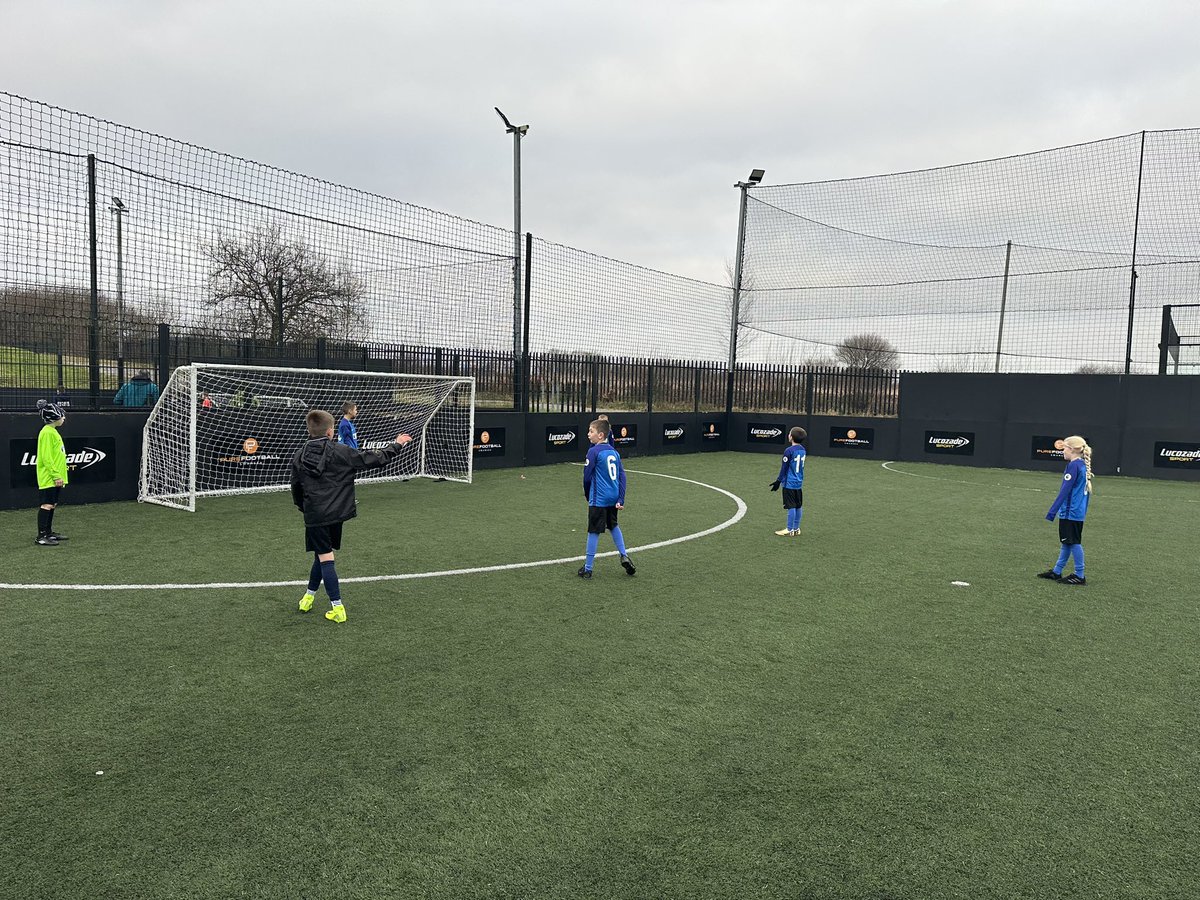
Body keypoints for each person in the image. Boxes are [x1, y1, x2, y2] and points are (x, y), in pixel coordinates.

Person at [290, 408, 412, 623]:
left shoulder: (299, 455)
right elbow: (375, 459)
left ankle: (337, 608)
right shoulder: (341, 451)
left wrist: (304, 508)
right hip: (337, 513)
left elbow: (296, 488)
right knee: (323, 554)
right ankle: (309, 598)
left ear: (309, 431)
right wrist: (398, 444)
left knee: (324, 555)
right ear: (330, 431)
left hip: (315, 514)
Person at [578, 418, 636, 578]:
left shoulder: (593, 451)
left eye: (591, 431)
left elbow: (587, 477)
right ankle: (624, 555)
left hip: (599, 498)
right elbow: (622, 476)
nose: (588, 434)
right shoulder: (614, 452)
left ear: (601, 434)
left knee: (594, 531)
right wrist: (621, 498)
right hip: (613, 496)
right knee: (613, 525)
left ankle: (588, 568)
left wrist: (588, 494)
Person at [1038, 434, 1093, 585]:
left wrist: (1052, 512)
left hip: (1070, 512)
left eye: (1064, 449)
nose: (1063, 452)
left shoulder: (1074, 466)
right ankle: (1057, 571)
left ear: (1071, 450)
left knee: (1073, 542)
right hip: (1076, 512)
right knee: (1067, 542)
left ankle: (1079, 575)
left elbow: (1065, 491)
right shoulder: (1081, 465)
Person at [34, 400, 69, 546]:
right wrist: (55, 475)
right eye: (62, 416)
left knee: (52, 504)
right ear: (53, 417)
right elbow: (46, 457)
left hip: (56, 477)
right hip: (49, 477)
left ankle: (48, 532)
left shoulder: (52, 432)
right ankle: (41, 536)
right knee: (46, 504)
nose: (64, 418)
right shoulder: (47, 433)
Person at [769, 426, 807, 536]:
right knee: (798, 505)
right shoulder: (802, 449)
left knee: (791, 506)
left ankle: (789, 529)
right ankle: (796, 528)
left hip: (789, 482)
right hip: (798, 482)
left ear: (791, 437)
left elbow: (784, 468)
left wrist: (778, 481)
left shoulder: (788, 451)